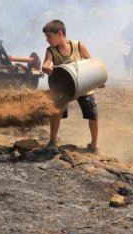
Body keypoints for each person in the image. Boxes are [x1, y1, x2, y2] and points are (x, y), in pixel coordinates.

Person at [41, 19, 99, 153]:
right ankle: (52, 141)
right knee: (56, 112)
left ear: (59, 33)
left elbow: (91, 64)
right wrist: (48, 69)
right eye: (46, 37)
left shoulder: (78, 46)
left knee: (93, 115)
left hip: (83, 86)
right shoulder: (51, 51)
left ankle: (94, 145)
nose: (47, 39)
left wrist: (98, 79)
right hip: (63, 88)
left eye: (49, 36)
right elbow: (45, 65)